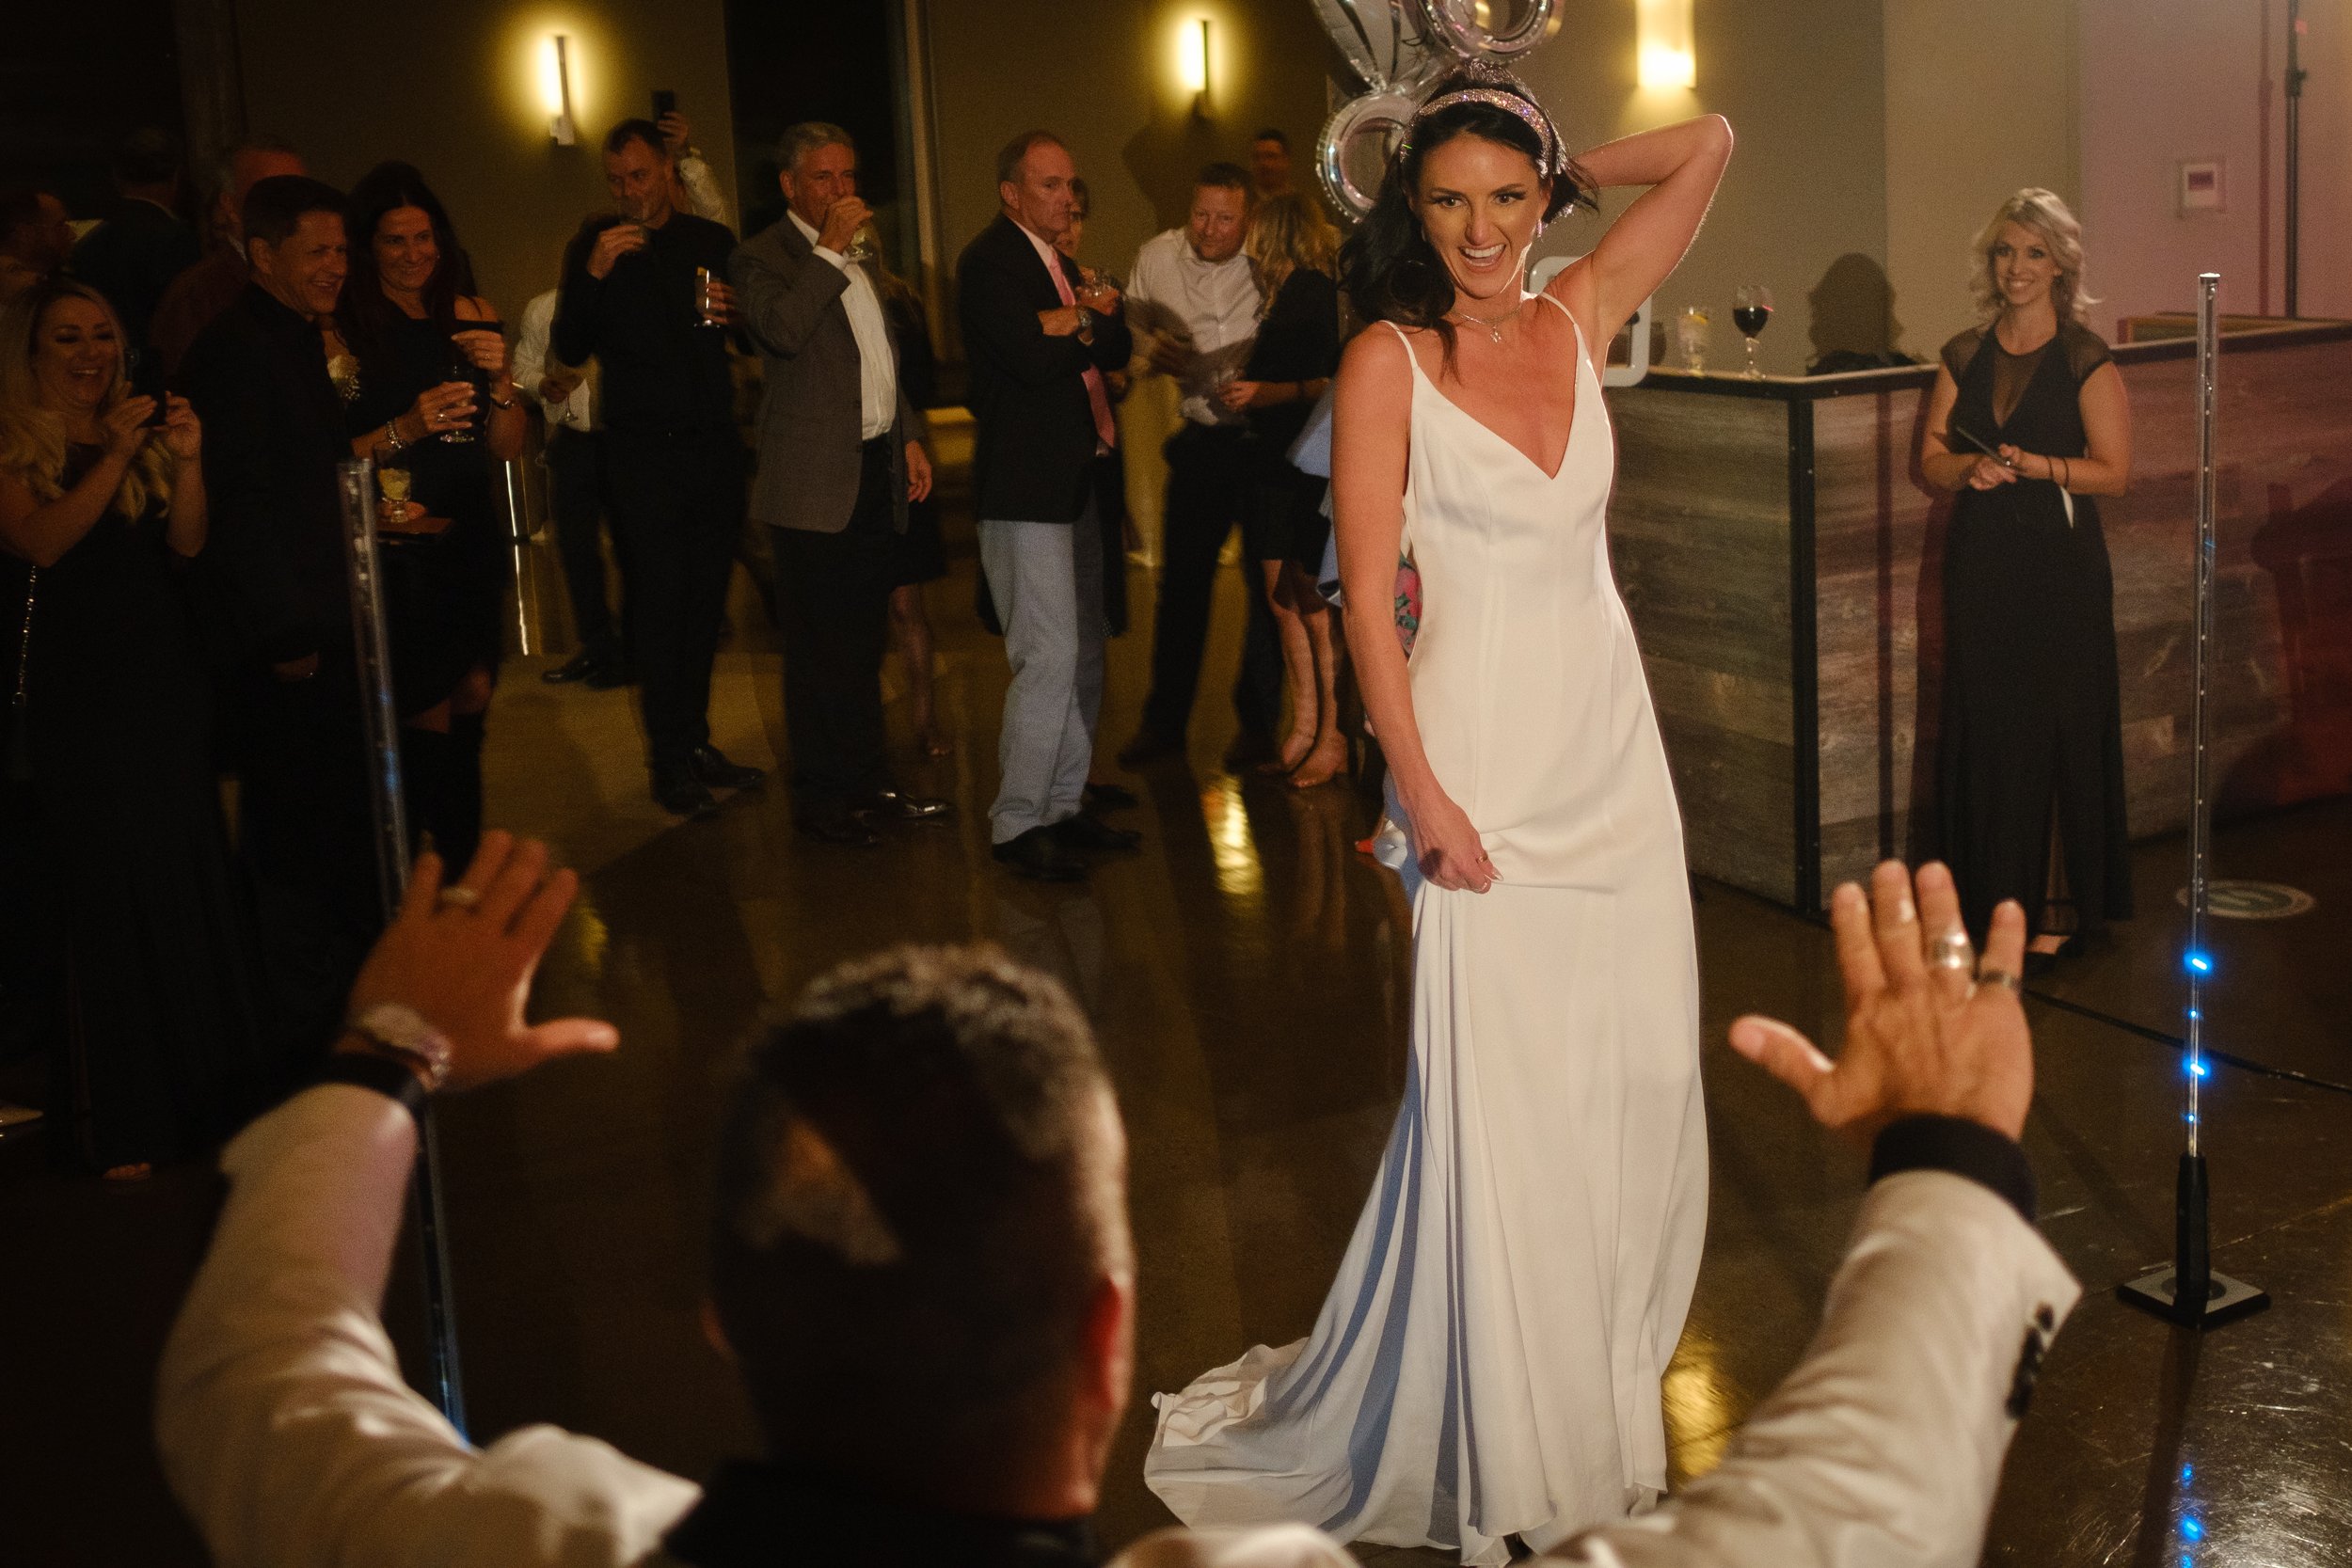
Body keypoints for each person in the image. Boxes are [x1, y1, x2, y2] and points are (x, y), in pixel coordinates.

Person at [153, 828, 2078, 1568]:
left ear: (725, 1320)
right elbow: (1839, 1518)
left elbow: (259, 1381)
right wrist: (1946, 1150)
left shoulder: (526, 1543)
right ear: (1107, 1334)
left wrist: (386, 1050)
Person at [1141, 77, 1735, 1561]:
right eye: (1452, 200)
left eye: (1508, 198)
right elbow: (1368, 615)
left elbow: (1713, 141)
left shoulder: (1583, 310)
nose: (1482, 229)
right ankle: (1532, 1466)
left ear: (1542, 206)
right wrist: (1417, 791)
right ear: (1413, 212)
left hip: (1613, 759)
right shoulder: (1384, 361)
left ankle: (1599, 1389)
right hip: (1484, 776)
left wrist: (1557, 154)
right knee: (1511, 1112)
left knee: (1643, 1072)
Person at [0, 278, 266, 1179]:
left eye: (103, 337)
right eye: (68, 339)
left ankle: (217, 1102)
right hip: (81, 702)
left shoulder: (136, 433)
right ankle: (133, 1125)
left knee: (190, 885)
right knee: (113, 903)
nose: (89, 355)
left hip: (163, 687)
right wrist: (112, 457)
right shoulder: (14, 443)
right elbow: (39, 540)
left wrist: (185, 460)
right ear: (33, 354)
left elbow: (185, 547)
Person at [177, 173, 380, 1072]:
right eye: (318, 252)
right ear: (263, 257)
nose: (337, 266)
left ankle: (335, 1016)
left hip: (323, 625)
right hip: (283, 644)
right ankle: (303, 1041)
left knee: (330, 828)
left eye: (342, 250)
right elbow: (244, 506)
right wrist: (288, 633)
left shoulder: (295, 340)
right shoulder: (236, 351)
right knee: (294, 841)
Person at [1919, 188, 2133, 968]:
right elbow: (1930, 461)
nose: (2017, 268)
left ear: (2060, 266)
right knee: (1991, 730)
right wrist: (1968, 467)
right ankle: (1989, 905)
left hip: (2060, 572)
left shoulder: (2084, 358)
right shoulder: (1964, 355)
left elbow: (2114, 474)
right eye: (2006, 252)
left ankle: (2058, 905)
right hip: (1982, 567)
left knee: (2055, 730)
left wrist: (2037, 466)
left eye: (2034, 254)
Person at [730, 122, 947, 847]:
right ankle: (821, 800)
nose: (842, 191)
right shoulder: (760, 255)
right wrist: (826, 251)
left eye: (848, 176)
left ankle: (871, 784)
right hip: (810, 487)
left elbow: (880, 356)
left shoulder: (862, 251)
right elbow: (783, 332)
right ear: (790, 185)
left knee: (862, 645)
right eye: (824, 178)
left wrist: (910, 433)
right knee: (817, 650)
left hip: (873, 470)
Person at [555, 119, 763, 820]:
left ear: (667, 173)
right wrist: (593, 275)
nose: (629, 192)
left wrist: (738, 314)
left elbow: (746, 334)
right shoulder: (594, 248)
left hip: (711, 448)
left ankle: (696, 740)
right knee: (659, 607)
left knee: (706, 605)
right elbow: (569, 345)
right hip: (641, 457)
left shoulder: (710, 242)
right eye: (616, 181)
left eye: (639, 176)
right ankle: (667, 760)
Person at [957, 131, 1136, 882]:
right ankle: (1017, 819)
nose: (1067, 197)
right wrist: (1080, 321)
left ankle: (1062, 806)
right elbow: (1028, 358)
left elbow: (1119, 341)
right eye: (1051, 185)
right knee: (1048, 654)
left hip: (1078, 480)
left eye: (1071, 184)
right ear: (1012, 192)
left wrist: (1075, 319)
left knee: (1081, 651)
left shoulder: (1058, 264)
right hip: (1025, 485)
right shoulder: (990, 262)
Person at [341, 162, 526, 873]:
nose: (414, 254)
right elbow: (337, 451)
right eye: (395, 241)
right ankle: (431, 865)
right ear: (369, 247)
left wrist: (504, 384)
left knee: (476, 687)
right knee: (426, 703)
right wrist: (409, 427)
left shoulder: (470, 312)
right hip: (400, 541)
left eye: (423, 237)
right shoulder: (350, 331)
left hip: (469, 531)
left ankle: (457, 855)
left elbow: (506, 448)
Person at [1115, 163, 1284, 773]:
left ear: (1249, 220)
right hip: (1203, 442)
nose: (1208, 230)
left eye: (1224, 218)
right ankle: (1164, 725)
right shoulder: (1156, 258)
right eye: (1200, 215)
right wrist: (1146, 353)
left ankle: (1259, 727)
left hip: (1265, 442)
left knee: (1267, 594)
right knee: (1182, 587)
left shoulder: (1269, 260)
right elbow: (1126, 339)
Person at [1225, 193, 1344, 787]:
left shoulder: (1313, 293)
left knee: (1310, 601)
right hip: (1272, 461)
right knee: (1282, 601)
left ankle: (1328, 733)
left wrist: (1263, 393)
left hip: (1301, 464)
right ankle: (1304, 727)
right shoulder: (1287, 297)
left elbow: (1328, 382)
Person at [514, 281, 627, 688]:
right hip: (575, 441)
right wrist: (542, 384)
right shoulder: (545, 307)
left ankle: (637, 649)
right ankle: (597, 647)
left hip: (632, 443)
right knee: (577, 549)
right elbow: (522, 366)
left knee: (637, 549)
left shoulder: (638, 300)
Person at [148, 135, 306, 377]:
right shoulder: (199, 293)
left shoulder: (320, 276)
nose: (290, 205)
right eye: (271, 192)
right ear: (230, 206)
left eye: (299, 192)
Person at [70, 129, 202, 356]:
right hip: (165, 366)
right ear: (177, 176)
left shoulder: (90, 243)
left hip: (103, 361)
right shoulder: (178, 240)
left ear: (116, 177)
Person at [0, 189, 75, 308]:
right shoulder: (17, 300)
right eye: (60, 226)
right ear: (26, 233)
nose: (72, 235)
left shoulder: (65, 281)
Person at [1250, 129, 1295, 198]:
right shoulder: (1240, 205)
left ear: (1286, 161)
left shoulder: (1301, 206)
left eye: (1271, 156)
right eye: (1257, 157)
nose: (1263, 163)